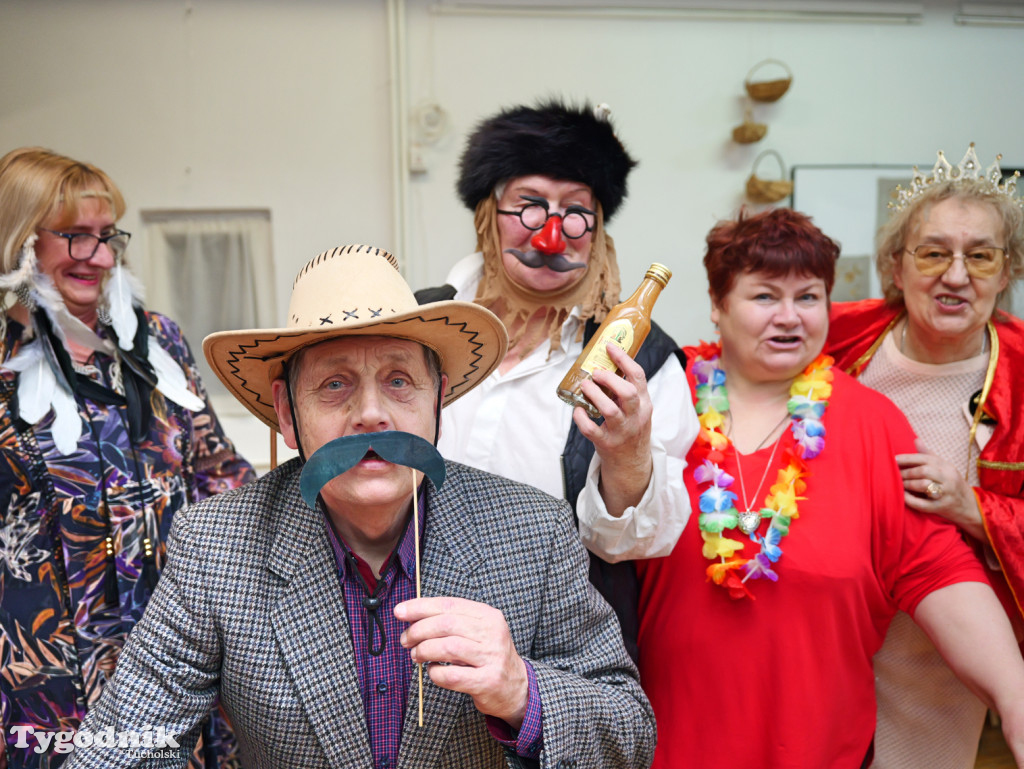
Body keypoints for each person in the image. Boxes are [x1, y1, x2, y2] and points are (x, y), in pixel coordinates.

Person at [62, 244, 655, 769]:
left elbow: (630, 735)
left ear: (438, 401)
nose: (372, 414)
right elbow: (121, 745)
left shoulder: (533, 529)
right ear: (288, 415)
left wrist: (523, 690)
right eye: (335, 384)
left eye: (399, 381)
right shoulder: (217, 544)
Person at [580, 207, 1024, 768]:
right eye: (764, 296)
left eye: (809, 297)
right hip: (669, 740)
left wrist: (1015, 703)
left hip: (819, 744)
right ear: (717, 305)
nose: (789, 317)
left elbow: (934, 568)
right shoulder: (663, 398)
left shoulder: (872, 422)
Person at [416, 100, 697, 661]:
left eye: (575, 212)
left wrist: (628, 455)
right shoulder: (414, 323)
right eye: (528, 206)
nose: (551, 236)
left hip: (553, 653)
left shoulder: (643, 359)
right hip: (405, 626)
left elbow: (637, 544)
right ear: (486, 215)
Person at [0, 148, 254, 768]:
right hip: (43, 671)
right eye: (74, 236)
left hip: (169, 651)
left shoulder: (154, 339)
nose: (101, 256)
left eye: (107, 236)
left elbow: (214, 467)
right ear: (18, 237)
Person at [827, 144, 1024, 769]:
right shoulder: (835, 338)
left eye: (981, 256)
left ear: (1008, 269)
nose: (956, 276)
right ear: (896, 265)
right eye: (934, 252)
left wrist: (973, 506)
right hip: (825, 634)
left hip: (943, 661)